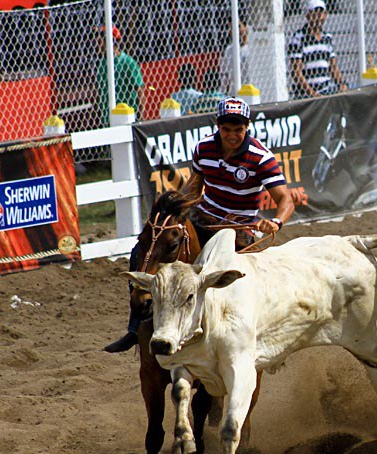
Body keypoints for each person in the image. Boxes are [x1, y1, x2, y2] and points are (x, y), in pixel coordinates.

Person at [104, 96, 295, 353]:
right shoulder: (204, 148)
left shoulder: (261, 158)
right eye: (227, 129)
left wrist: (276, 222)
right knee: (143, 250)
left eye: (238, 130)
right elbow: (195, 185)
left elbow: (286, 199)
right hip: (203, 219)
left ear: (247, 127)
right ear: (218, 126)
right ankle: (135, 327)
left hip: (239, 230)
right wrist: (179, 207)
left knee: (237, 281)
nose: (232, 135)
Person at [287, 0, 348, 99]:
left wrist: (341, 83)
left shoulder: (327, 38)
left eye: (321, 13)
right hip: (308, 93)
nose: (319, 16)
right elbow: (296, 72)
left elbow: (333, 66)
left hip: (326, 89)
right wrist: (313, 94)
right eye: (315, 13)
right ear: (307, 15)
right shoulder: (298, 38)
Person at [96, 26, 146, 126]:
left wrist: (140, 119)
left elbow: (140, 91)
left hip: (126, 119)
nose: (97, 43)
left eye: (101, 39)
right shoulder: (101, 64)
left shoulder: (128, 62)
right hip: (106, 120)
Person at [219, 20, 250, 96]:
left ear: (246, 28)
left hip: (249, 90)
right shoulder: (228, 50)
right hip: (234, 93)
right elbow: (224, 75)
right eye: (232, 28)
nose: (237, 31)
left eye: (239, 27)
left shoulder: (253, 48)